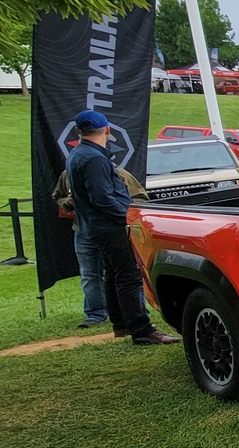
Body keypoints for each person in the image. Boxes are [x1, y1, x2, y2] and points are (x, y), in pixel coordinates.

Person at [65, 110, 179, 345]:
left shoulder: (78, 153)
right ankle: (141, 329)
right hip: (110, 225)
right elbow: (102, 198)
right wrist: (128, 217)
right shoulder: (94, 158)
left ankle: (122, 324)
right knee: (128, 276)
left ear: (79, 131)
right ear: (107, 129)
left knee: (113, 274)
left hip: (95, 225)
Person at [51, 165, 148, 328]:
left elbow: (140, 198)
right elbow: (57, 196)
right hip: (83, 231)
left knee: (122, 273)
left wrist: (119, 210)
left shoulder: (119, 174)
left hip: (112, 231)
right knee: (89, 273)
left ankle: (134, 310)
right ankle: (95, 314)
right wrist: (67, 203)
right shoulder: (68, 174)